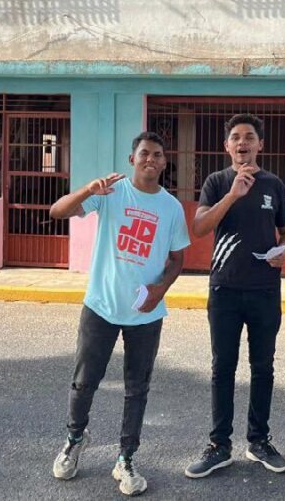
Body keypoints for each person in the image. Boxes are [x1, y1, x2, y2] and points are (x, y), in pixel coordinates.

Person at [48, 132, 190, 497]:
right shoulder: (110, 192)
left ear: (164, 162)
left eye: (157, 155)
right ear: (132, 159)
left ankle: (126, 458)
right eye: (144, 153)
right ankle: (74, 440)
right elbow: (57, 211)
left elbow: (177, 259)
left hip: (145, 312)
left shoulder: (171, 208)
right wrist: (87, 190)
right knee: (84, 381)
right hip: (101, 306)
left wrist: (160, 290)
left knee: (137, 389)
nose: (150, 160)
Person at [184, 114, 285, 478]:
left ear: (260, 144)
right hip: (225, 290)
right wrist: (233, 194)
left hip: (265, 290)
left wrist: (284, 251)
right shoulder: (217, 182)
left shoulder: (274, 185)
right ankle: (219, 445)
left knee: (263, 367)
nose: (242, 142)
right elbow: (200, 228)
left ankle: (259, 441)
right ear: (227, 146)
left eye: (249, 136)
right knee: (223, 367)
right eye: (235, 137)